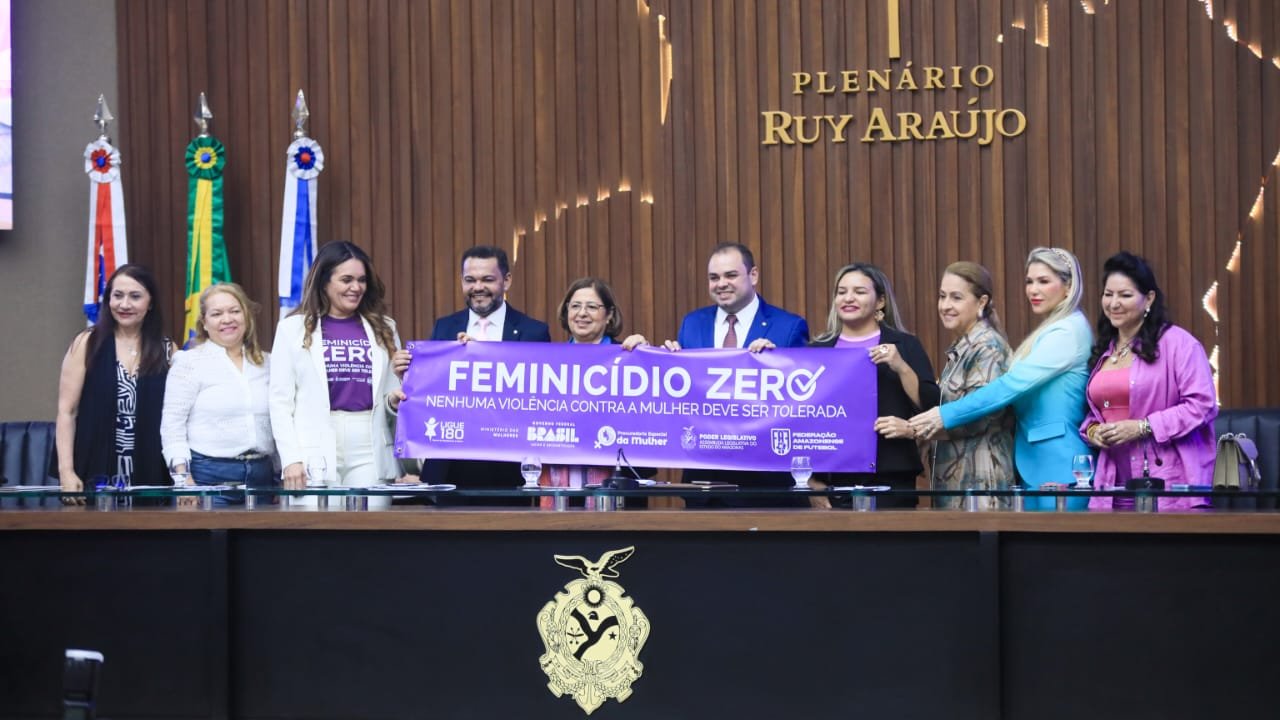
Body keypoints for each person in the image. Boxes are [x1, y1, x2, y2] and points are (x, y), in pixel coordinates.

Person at [910, 247, 1093, 511]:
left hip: (1059, 464)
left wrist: (944, 414)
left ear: (1068, 287)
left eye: (1044, 281)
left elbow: (1009, 386)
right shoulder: (1053, 328)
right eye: (1029, 281)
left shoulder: (1068, 331)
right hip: (1032, 463)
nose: (1033, 290)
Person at [662, 242, 810, 505]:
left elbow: (804, 399)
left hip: (765, 483)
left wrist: (778, 364)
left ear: (753, 275)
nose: (721, 284)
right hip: (704, 481)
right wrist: (659, 359)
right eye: (714, 277)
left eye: (731, 275)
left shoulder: (788, 327)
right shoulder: (692, 324)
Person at [268, 241, 403, 507]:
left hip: (370, 446)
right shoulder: (291, 329)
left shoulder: (385, 327)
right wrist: (291, 459)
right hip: (312, 447)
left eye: (362, 280)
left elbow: (389, 396)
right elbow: (280, 402)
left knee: (371, 527)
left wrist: (394, 401)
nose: (356, 287)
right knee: (316, 528)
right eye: (346, 280)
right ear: (324, 282)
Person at [1080, 252, 1217, 511]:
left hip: (1168, 483)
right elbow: (1101, 411)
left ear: (1149, 299)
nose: (1113, 303)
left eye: (1125, 295)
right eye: (1108, 294)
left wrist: (1144, 427)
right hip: (1111, 485)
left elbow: (1203, 405)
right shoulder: (1105, 349)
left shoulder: (1179, 344)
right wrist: (1093, 431)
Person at [409, 245, 551, 490]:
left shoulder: (534, 332)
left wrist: (484, 359)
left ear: (506, 281)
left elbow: (540, 399)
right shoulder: (444, 327)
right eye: (470, 280)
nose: (477, 287)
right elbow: (432, 388)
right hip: (449, 464)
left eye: (487, 279)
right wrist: (409, 375)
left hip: (507, 466)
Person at [807, 263, 939, 509]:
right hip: (833, 480)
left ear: (880, 301)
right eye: (841, 292)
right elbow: (800, 418)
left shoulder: (905, 345)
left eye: (859, 291)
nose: (848, 298)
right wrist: (810, 480)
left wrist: (901, 366)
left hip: (892, 476)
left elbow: (931, 406)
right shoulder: (816, 351)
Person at [56, 264, 172, 502]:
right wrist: (66, 471)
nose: (124, 304)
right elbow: (66, 412)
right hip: (93, 466)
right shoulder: (87, 343)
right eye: (117, 295)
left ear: (150, 303)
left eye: (135, 296)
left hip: (149, 468)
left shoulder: (167, 350)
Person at [161, 283, 276, 503]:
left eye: (235, 311)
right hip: (207, 478)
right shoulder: (189, 362)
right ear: (204, 322)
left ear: (246, 315)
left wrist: (280, 475)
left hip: (263, 479)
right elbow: (172, 426)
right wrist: (183, 480)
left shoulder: (268, 363)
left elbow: (279, 421)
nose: (227, 319)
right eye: (216, 314)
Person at [544, 277, 651, 505]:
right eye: (575, 306)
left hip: (619, 488)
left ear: (609, 314)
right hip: (559, 488)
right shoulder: (546, 362)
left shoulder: (630, 357)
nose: (582, 313)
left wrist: (645, 357)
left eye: (592, 307)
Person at [929, 262, 1015, 510]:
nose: (945, 305)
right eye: (942, 296)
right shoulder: (962, 347)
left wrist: (915, 429)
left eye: (956, 298)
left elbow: (980, 418)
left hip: (981, 482)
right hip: (954, 482)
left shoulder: (987, 346)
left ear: (981, 302)